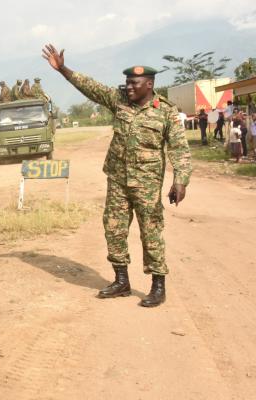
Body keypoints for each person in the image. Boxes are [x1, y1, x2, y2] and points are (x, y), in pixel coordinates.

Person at [42, 44, 192, 308]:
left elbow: (180, 149)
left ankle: (158, 286)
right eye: (127, 83)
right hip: (118, 181)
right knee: (114, 229)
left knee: (151, 232)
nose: (129, 87)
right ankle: (121, 280)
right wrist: (63, 69)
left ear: (149, 84)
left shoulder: (166, 111)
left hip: (146, 184)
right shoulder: (118, 100)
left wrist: (180, 180)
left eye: (134, 83)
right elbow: (91, 87)